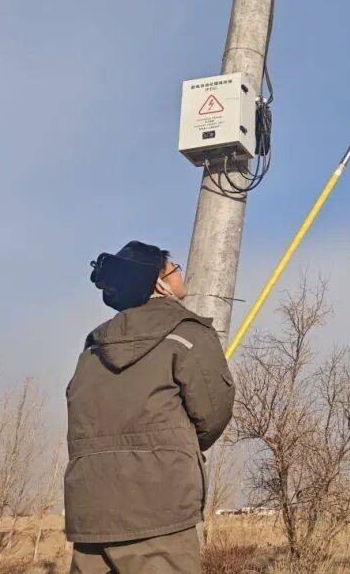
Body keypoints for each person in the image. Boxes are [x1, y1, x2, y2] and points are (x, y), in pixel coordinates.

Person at [64, 241, 235, 574]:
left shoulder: (92, 350)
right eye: (174, 269)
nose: (180, 274)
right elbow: (214, 413)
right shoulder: (187, 333)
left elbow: (81, 422)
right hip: (160, 510)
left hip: (91, 511)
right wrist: (172, 449)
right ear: (158, 283)